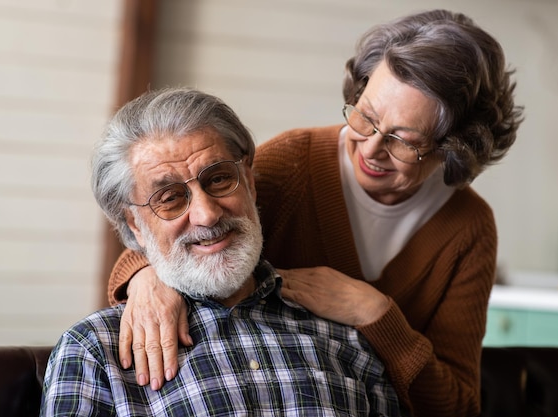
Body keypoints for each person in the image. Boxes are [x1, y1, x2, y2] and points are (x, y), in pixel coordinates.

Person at [106, 9, 524, 417]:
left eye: (403, 140)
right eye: (366, 116)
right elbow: (193, 223)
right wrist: (145, 277)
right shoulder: (292, 164)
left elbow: (457, 406)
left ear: (453, 146)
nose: (370, 148)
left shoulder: (468, 227)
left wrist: (374, 313)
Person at [40, 87, 401, 416]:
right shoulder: (92, 354)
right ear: (135, 225)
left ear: (250, 183)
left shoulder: (347, 339)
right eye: (169, 199)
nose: (207, 214)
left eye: (218, 179)